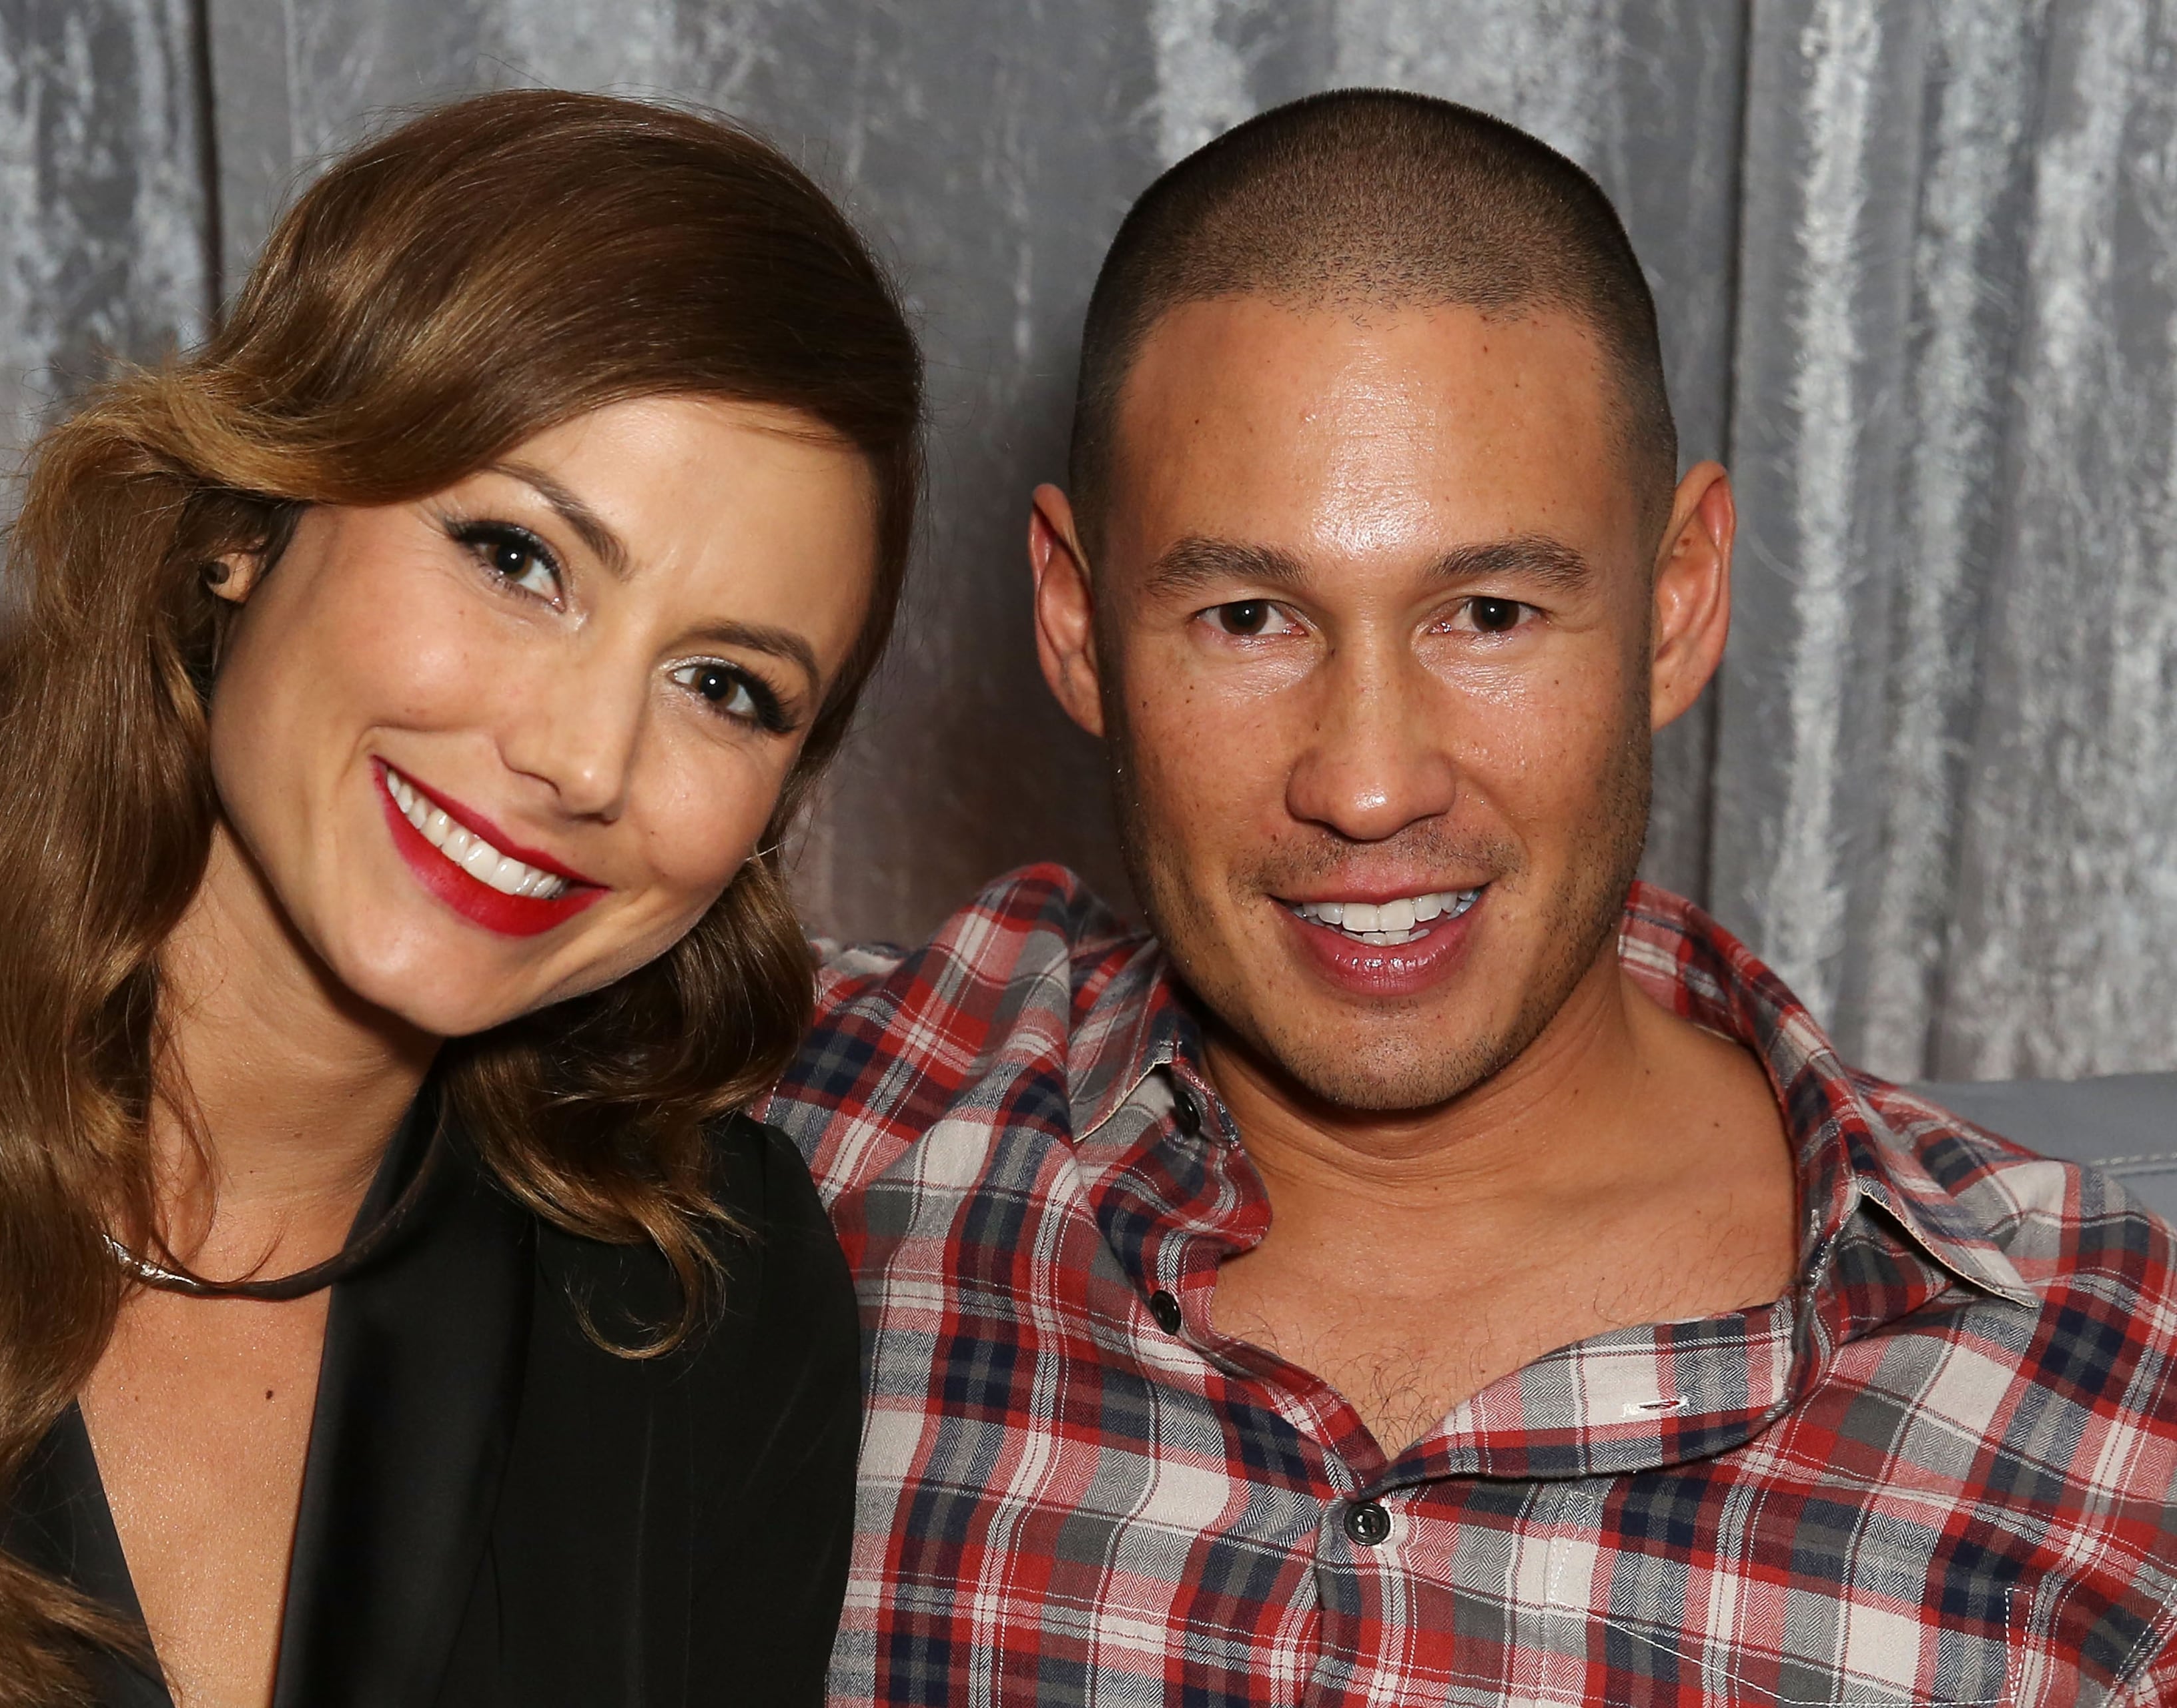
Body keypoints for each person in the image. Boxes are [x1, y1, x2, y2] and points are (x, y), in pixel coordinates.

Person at [760, 91, 2177, 1703]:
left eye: (1489, 611)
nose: (1368, 785)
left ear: (1678, 599)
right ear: (1078, 623)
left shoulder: (2116, 1407)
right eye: (1246, 616)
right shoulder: (800, 1115)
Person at [0, 90, 919, 1708]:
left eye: (726, 683)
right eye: (518, 557)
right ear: (249, 520)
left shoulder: (698, 1297)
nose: (587, 758)